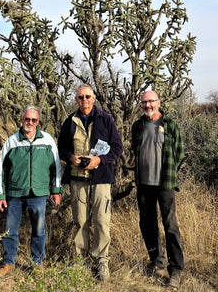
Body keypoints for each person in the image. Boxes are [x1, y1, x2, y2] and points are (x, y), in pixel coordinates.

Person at [58, 84, 123, 281]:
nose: (84, 100)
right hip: (78, 180)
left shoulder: (106, 119)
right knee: (81, 222)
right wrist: (71, 158)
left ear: (93, 98)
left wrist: (99, 160)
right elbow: (61, 148)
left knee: (102, 222)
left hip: (101, 180)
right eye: (80, 97)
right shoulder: (70, 122)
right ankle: (81, 260)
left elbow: (117, 148)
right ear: (76, 100)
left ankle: (102, 261)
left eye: (87, 97)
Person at [0, 105, 62, 277]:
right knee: (10, 230)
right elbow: (2, 170)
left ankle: (36, 263)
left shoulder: (47, 140)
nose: (30, 122)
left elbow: (56, 167)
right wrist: (0, 195)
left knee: (38, 230)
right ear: (22, 119)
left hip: (39, 194)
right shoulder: (12, 141)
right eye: (27, 119)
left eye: (34, 120)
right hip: (14, 194)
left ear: (38, 121)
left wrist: (56, 190)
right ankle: (8, 262)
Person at [131, 90, 185, 289]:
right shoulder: (138, 126)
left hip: (165, 184)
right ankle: (157, 261)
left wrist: (169, 174)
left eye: (151, 101)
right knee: (147, 223)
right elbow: (135, 149)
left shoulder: (169, 125)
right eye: (144, 102)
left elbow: (179, 152)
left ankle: (176, 269)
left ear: (159, 102)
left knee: (170, 224)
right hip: (144, 183)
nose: (147, 105)